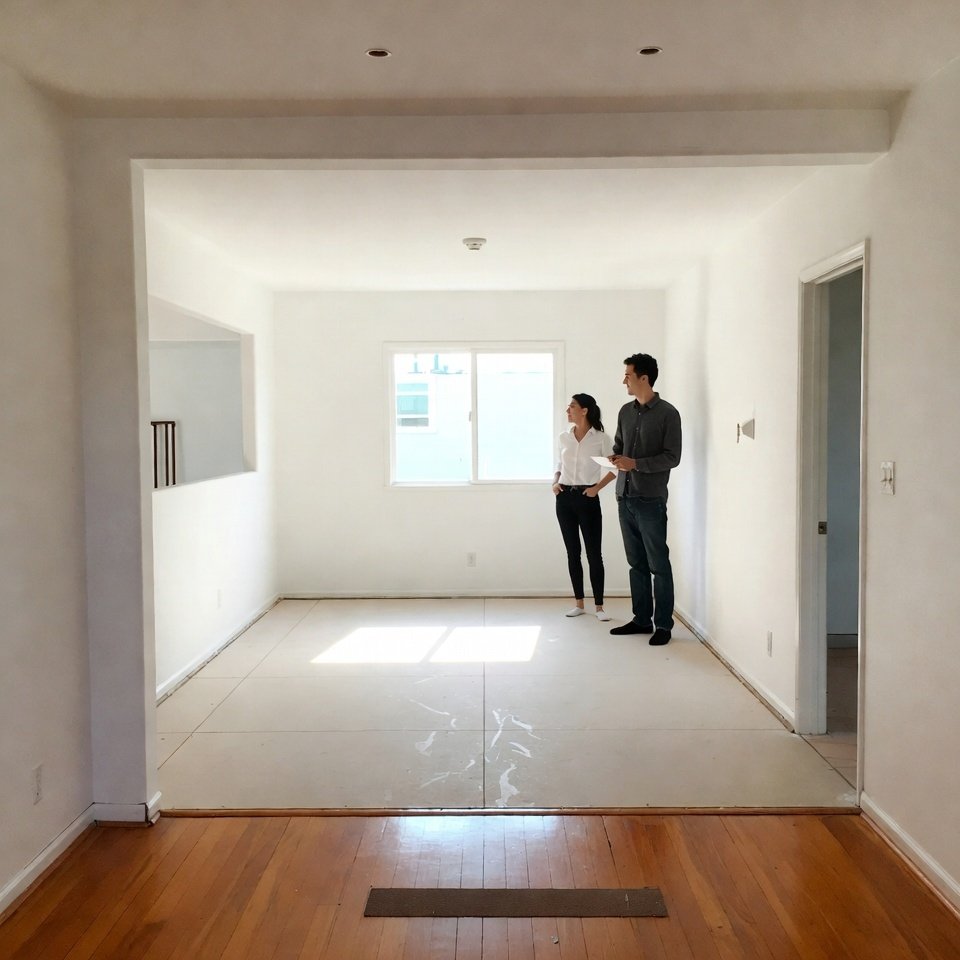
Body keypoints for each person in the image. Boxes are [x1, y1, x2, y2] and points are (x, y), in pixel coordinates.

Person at [608, 353, 681, 645]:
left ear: (644, 378)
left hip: (650, 500)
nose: (623, 380)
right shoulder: (625, 411)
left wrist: (635, 464)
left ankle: (663, 625)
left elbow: (672, 457)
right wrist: (615, 458)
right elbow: (618, 446)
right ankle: (641, 620)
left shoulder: (668, 413)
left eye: (627, 375)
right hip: (624, 497)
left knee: (658, 565)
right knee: (635, 564)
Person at [552, 394, 617, 621]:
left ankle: (599, 607)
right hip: (564, 498)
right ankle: (579, 603)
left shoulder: (600, 438)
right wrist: (555, 481)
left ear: (585, 410)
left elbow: (614, 469)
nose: (567, 410)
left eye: (571, 406)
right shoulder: (564, 437)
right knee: (573, 553)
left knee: (594, 554)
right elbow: (560, 464)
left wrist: (596, 489)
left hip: (588, 497)